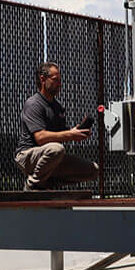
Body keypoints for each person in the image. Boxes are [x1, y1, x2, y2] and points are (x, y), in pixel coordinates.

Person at [15, 62, 99, 191]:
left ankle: (48, 184)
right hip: (27, 156)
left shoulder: (57, 106)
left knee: (93, 170)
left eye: (60, 80)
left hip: (51, 158)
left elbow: (61, 134)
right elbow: (40, 138)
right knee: (56, 149)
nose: (59, 84)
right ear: (43, 79)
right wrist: (70, 134)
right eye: (55, 80)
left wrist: (74, 132)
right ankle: (32, 185)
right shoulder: (34, 104)